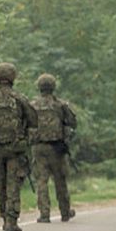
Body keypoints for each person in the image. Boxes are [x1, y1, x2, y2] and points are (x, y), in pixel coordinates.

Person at [0, 62, 37, 231]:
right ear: (13, 77)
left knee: (1, 183)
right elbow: (34, 120)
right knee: (13, 183)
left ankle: (4, 217)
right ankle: (11, 220)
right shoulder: (19, 99)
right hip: (15, 148)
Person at [29, 73, 78, 222]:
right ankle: (64, 211)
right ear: (53, 87)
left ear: (39, 87)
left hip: (38, 147)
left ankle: (44, 214)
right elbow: (72, 122)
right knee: (60, 179)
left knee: (41, 181)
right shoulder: (60, 105)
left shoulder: (32, 105)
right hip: (56, 147)